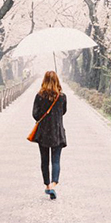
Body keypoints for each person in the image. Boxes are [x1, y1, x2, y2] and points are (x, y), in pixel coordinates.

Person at [31, 70, 67, 200]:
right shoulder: (62, 97)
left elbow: (35, 114)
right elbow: (63, 112)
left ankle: (47, 185)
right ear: (57, 80)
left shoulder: (39, 96)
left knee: (44, 160)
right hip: (57, 132)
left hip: (43, 133)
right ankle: (53, 184)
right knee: (56, 160)